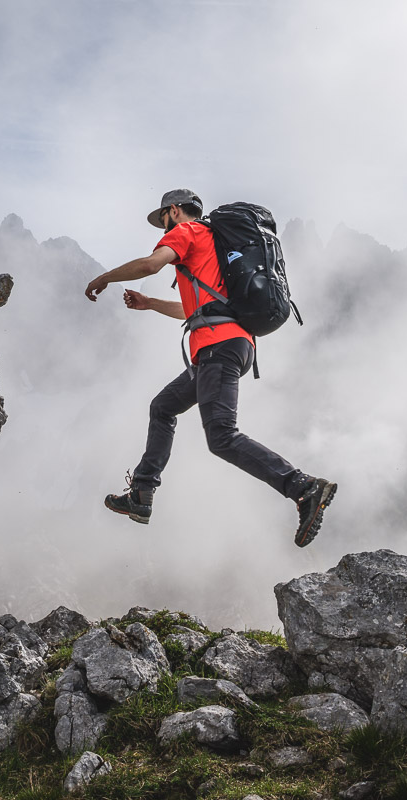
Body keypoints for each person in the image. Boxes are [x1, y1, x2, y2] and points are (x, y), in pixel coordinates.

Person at [84, 188, 336, 547]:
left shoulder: (186, 233)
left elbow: (150, 264)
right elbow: (200, 309)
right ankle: (142, 494)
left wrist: (105, 277)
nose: (162, 228)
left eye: (163, 219)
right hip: (227, 344)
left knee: (222, 436)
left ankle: (304, 487)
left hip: (220, 347)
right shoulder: (212, 245)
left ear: (174, 210)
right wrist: (150, 302)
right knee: (163, 406)